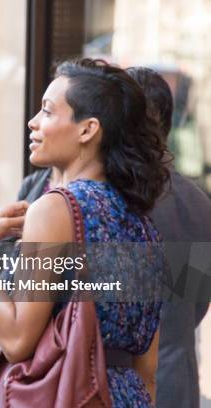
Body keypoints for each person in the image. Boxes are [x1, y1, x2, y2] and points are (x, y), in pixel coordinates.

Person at [0, 58, 169, 407]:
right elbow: (147, 368)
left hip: (69, 394)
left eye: (47, 111)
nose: (33, 122)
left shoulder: (56, 208)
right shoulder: (144, 226)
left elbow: (16, 341)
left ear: (87, 129)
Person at [127, 66, 211, 408]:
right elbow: (196, 304)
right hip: (179, 383)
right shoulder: (196, 200)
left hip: (125, 387)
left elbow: (35, 295)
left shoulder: (116, 196)